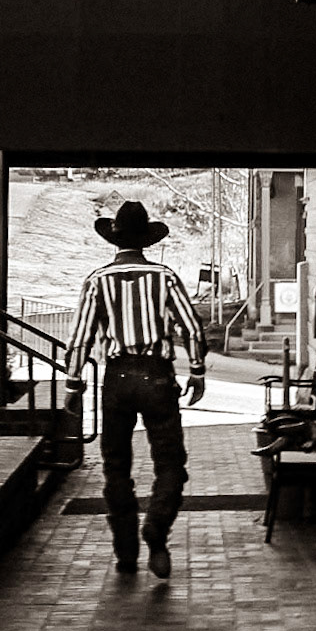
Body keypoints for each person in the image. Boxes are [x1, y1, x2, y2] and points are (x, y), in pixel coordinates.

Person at [64, 201, 207, 579]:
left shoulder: (98, 280)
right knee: (171, 463)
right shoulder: (165, 277)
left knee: (116, 467)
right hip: (157, 376)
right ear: (146, 240)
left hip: (118, 376)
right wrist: (197, 371)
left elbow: (80, 337)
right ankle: (156, 530)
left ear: (115, 239)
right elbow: (192, 328)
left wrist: (73, 383)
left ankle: (126, 552)